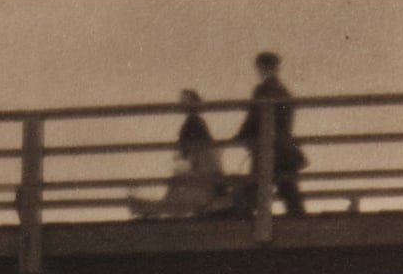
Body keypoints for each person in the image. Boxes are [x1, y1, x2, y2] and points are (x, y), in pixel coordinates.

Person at [128, 89, 228, 218]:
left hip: (197, 170)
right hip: (200, 169)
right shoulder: (197, 123)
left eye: (185, 101)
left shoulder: (192, 123)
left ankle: (148, 209)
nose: (182, 104)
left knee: (178, 189)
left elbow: (191, 151)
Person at [234, 51, 306, 217]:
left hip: (269, 147)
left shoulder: (263, 89)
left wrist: (241, 135)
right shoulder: (283, 90)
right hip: (283, 147)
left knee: (257, 185)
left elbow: (254, 116)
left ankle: (242, 221)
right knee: (287, 189)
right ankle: (301, 222)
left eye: (259, 68)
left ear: (262, 68)